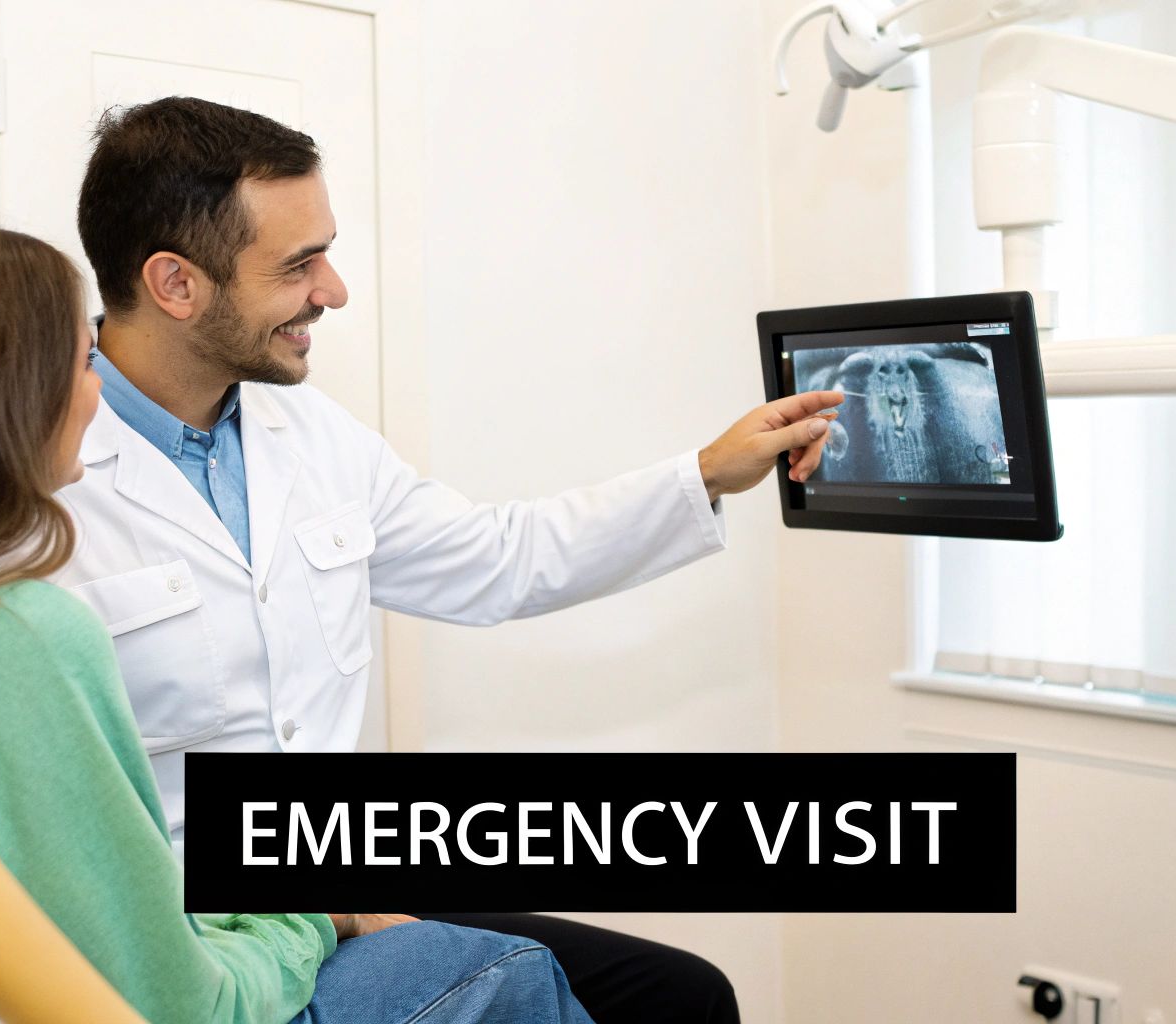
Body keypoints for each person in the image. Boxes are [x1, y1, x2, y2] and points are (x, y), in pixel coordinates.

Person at [57, 96, 840, 1024]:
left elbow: (496, 559)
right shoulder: (35, 480)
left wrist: (706, 473)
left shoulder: (304, 432)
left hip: (322, 878)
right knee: (511, 978)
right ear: (176, 285)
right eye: (299, 266)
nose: (333, 291)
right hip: (197, 930)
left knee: (682, 996)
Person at [0, 215, 595, 1024]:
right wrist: (312, 921)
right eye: (78, 362)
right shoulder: (15, 639)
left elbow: (495, 554)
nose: (96, 393)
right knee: (504, 968)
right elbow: (179, 1005)